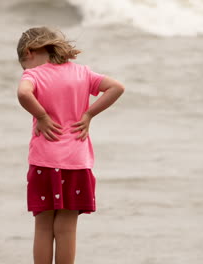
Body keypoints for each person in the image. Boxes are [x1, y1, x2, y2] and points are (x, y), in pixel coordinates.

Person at [16, 26, 125, 264]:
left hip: (44, 161)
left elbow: (24, 94)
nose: (26, 70)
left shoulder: (33, 76)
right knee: (67, 227)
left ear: (29, 52)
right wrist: (88, 115)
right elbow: (117, 87)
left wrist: (42, 117)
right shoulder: (82, 73)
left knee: (43, 226)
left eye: (24, 65)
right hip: (76, 162)